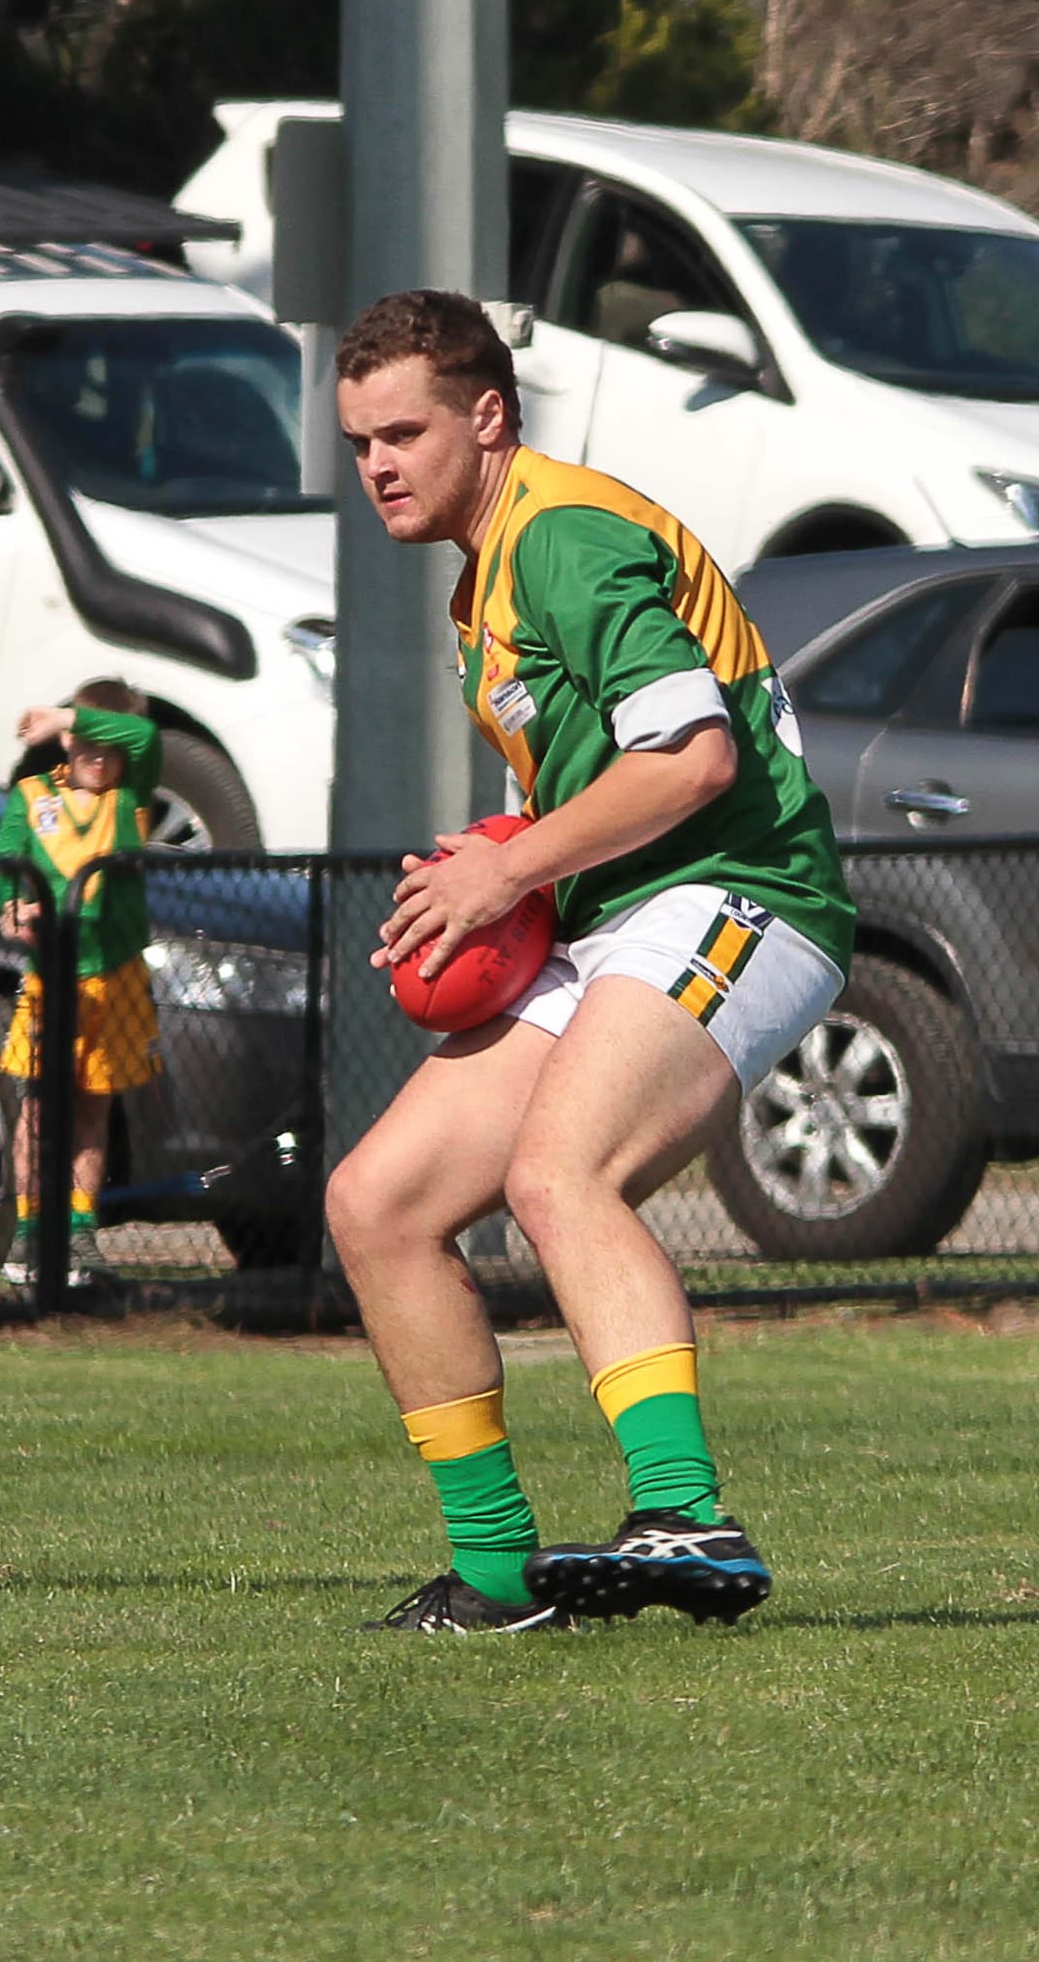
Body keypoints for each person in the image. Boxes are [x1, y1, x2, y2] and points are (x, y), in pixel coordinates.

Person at [328, 291, 855, 1633]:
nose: (377, 463)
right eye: (358, 441)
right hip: (627, 909)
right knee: (378, 1200)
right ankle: (499, 1572)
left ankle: (689, 1516)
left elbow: (693, 756)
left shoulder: (559, 533)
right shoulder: (485, 577)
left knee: (562, 1172)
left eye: (403, 431)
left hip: (743, 888)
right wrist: (503, 867)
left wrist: (509, 869)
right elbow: (603, 778)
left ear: (488, 415)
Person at [0, 678, 161, 1287]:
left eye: (105, 743)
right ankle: (30, 1230)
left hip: (113, 980)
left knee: (94, 1108)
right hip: (51, 979)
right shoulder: (32, 793)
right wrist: (11, 906)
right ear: (65, 742)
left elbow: (144, 736)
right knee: (39, 1105)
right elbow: (7, 856)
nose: (97, 755)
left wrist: (70, 715)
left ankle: (82, 1234)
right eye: (83, 741)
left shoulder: (129, 799)